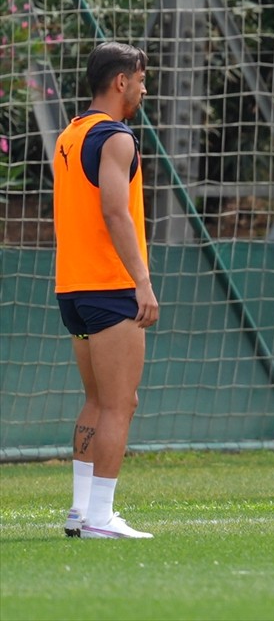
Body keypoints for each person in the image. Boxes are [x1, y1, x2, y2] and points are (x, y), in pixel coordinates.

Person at [53, 42, 159, 539]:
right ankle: (100, 517)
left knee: (96, 400)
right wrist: (142, 282)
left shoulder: (69, 136)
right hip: (109, 285)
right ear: (121, 81)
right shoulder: (117, 138)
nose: (143, 87)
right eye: (141, 78)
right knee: (122, 403)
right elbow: (115, 212)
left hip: (72, 290)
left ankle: (79, 510)